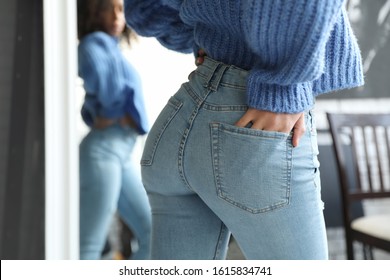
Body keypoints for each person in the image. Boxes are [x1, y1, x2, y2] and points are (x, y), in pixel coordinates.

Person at [124, 0, 364, 259]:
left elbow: (144, 8)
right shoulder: (276, 95)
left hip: (182, 115)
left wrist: (210, 36)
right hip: (253, 123)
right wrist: (281, 88)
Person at [77, 0, 151, 260]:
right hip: (104, 150)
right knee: (89, 244)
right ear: (94, 12)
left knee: (153, 233)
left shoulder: (111, 48)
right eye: (110, 8)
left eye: (121, 9)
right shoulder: (94, 43)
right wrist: (108, 113)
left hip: (120, 150)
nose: (117, 16)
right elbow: (105, 86)